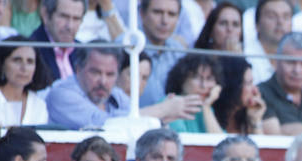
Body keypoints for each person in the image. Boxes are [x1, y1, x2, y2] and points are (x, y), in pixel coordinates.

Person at [46, 44, 201, 129]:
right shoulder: (61, 94)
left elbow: (133, 123)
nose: (103, 81)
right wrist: (162, 110)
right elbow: (104, 124)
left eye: (110, 74)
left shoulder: (117, 95)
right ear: (78, 69)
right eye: (95, 72)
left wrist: (165, 117)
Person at [0, 36, 52, 127]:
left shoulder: (39, 104)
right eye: (17, 60)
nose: (24, 68)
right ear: (2, 64)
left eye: (30, 62)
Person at [211, 57, 279, 134]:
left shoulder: (246, 116)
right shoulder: (209, 112)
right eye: (249, 83)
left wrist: (255, 120)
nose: (255, 90)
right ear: (233, 86)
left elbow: (258, 145)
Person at [137, 0, 186, 107]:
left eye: (171, 14)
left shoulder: (179, 50)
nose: (165, 21)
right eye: (157, 12)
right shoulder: (127, 46)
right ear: (142, 13)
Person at [165, 54, 223, 133]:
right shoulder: (170, 103)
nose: (203, 85)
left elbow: (221, 141)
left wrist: (206, 107)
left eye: (209, 79)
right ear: (182, 79)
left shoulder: (207, 108)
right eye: (197, 77)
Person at [29, 0, 85, 83]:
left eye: (76, 18)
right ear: (45, 14)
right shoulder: (30, 51)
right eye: (64, 16)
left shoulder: (83, 51)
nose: (70, 26)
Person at [244, 0, 291, 84]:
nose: (280, 22)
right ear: (256, 24)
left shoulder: (296, 58)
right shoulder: (244, 56)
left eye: (286, 17)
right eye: (271, 16)